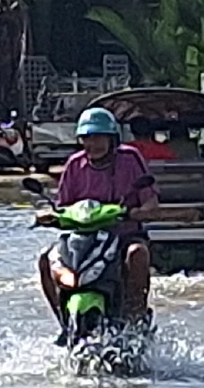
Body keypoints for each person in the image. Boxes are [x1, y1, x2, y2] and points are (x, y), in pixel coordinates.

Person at [38, 107, 160, 325]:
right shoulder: (75, 164)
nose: (92, 144)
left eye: (97, 137)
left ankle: (135, 319)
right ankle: (64, 322)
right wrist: (48, 216)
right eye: (86, 138)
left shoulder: (130, 159)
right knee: (46, 260)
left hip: (123, 235)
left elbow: (150, 200)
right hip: (82, 240)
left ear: (112, 138)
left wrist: (140, 212)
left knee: (137, 253)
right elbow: (62, 206)